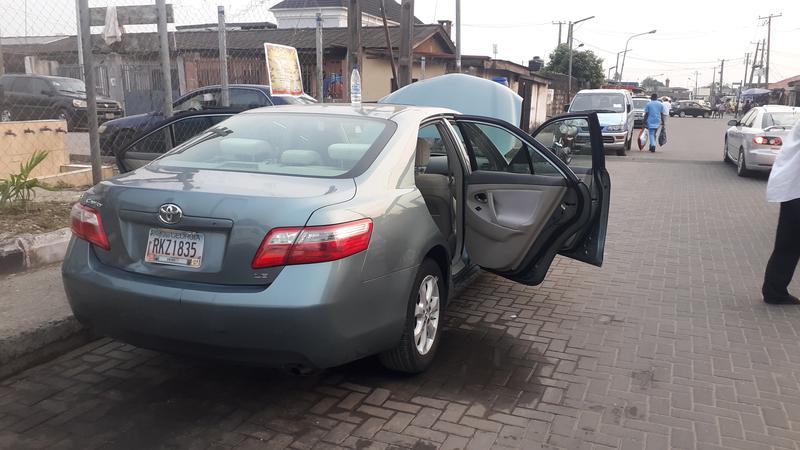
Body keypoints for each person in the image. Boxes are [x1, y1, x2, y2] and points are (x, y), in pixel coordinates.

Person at [763, 121, 800, 304]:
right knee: (789, 244)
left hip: (793, 191)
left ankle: (774, 290)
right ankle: (774, 291)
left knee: (788, 244)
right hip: (796, 191)